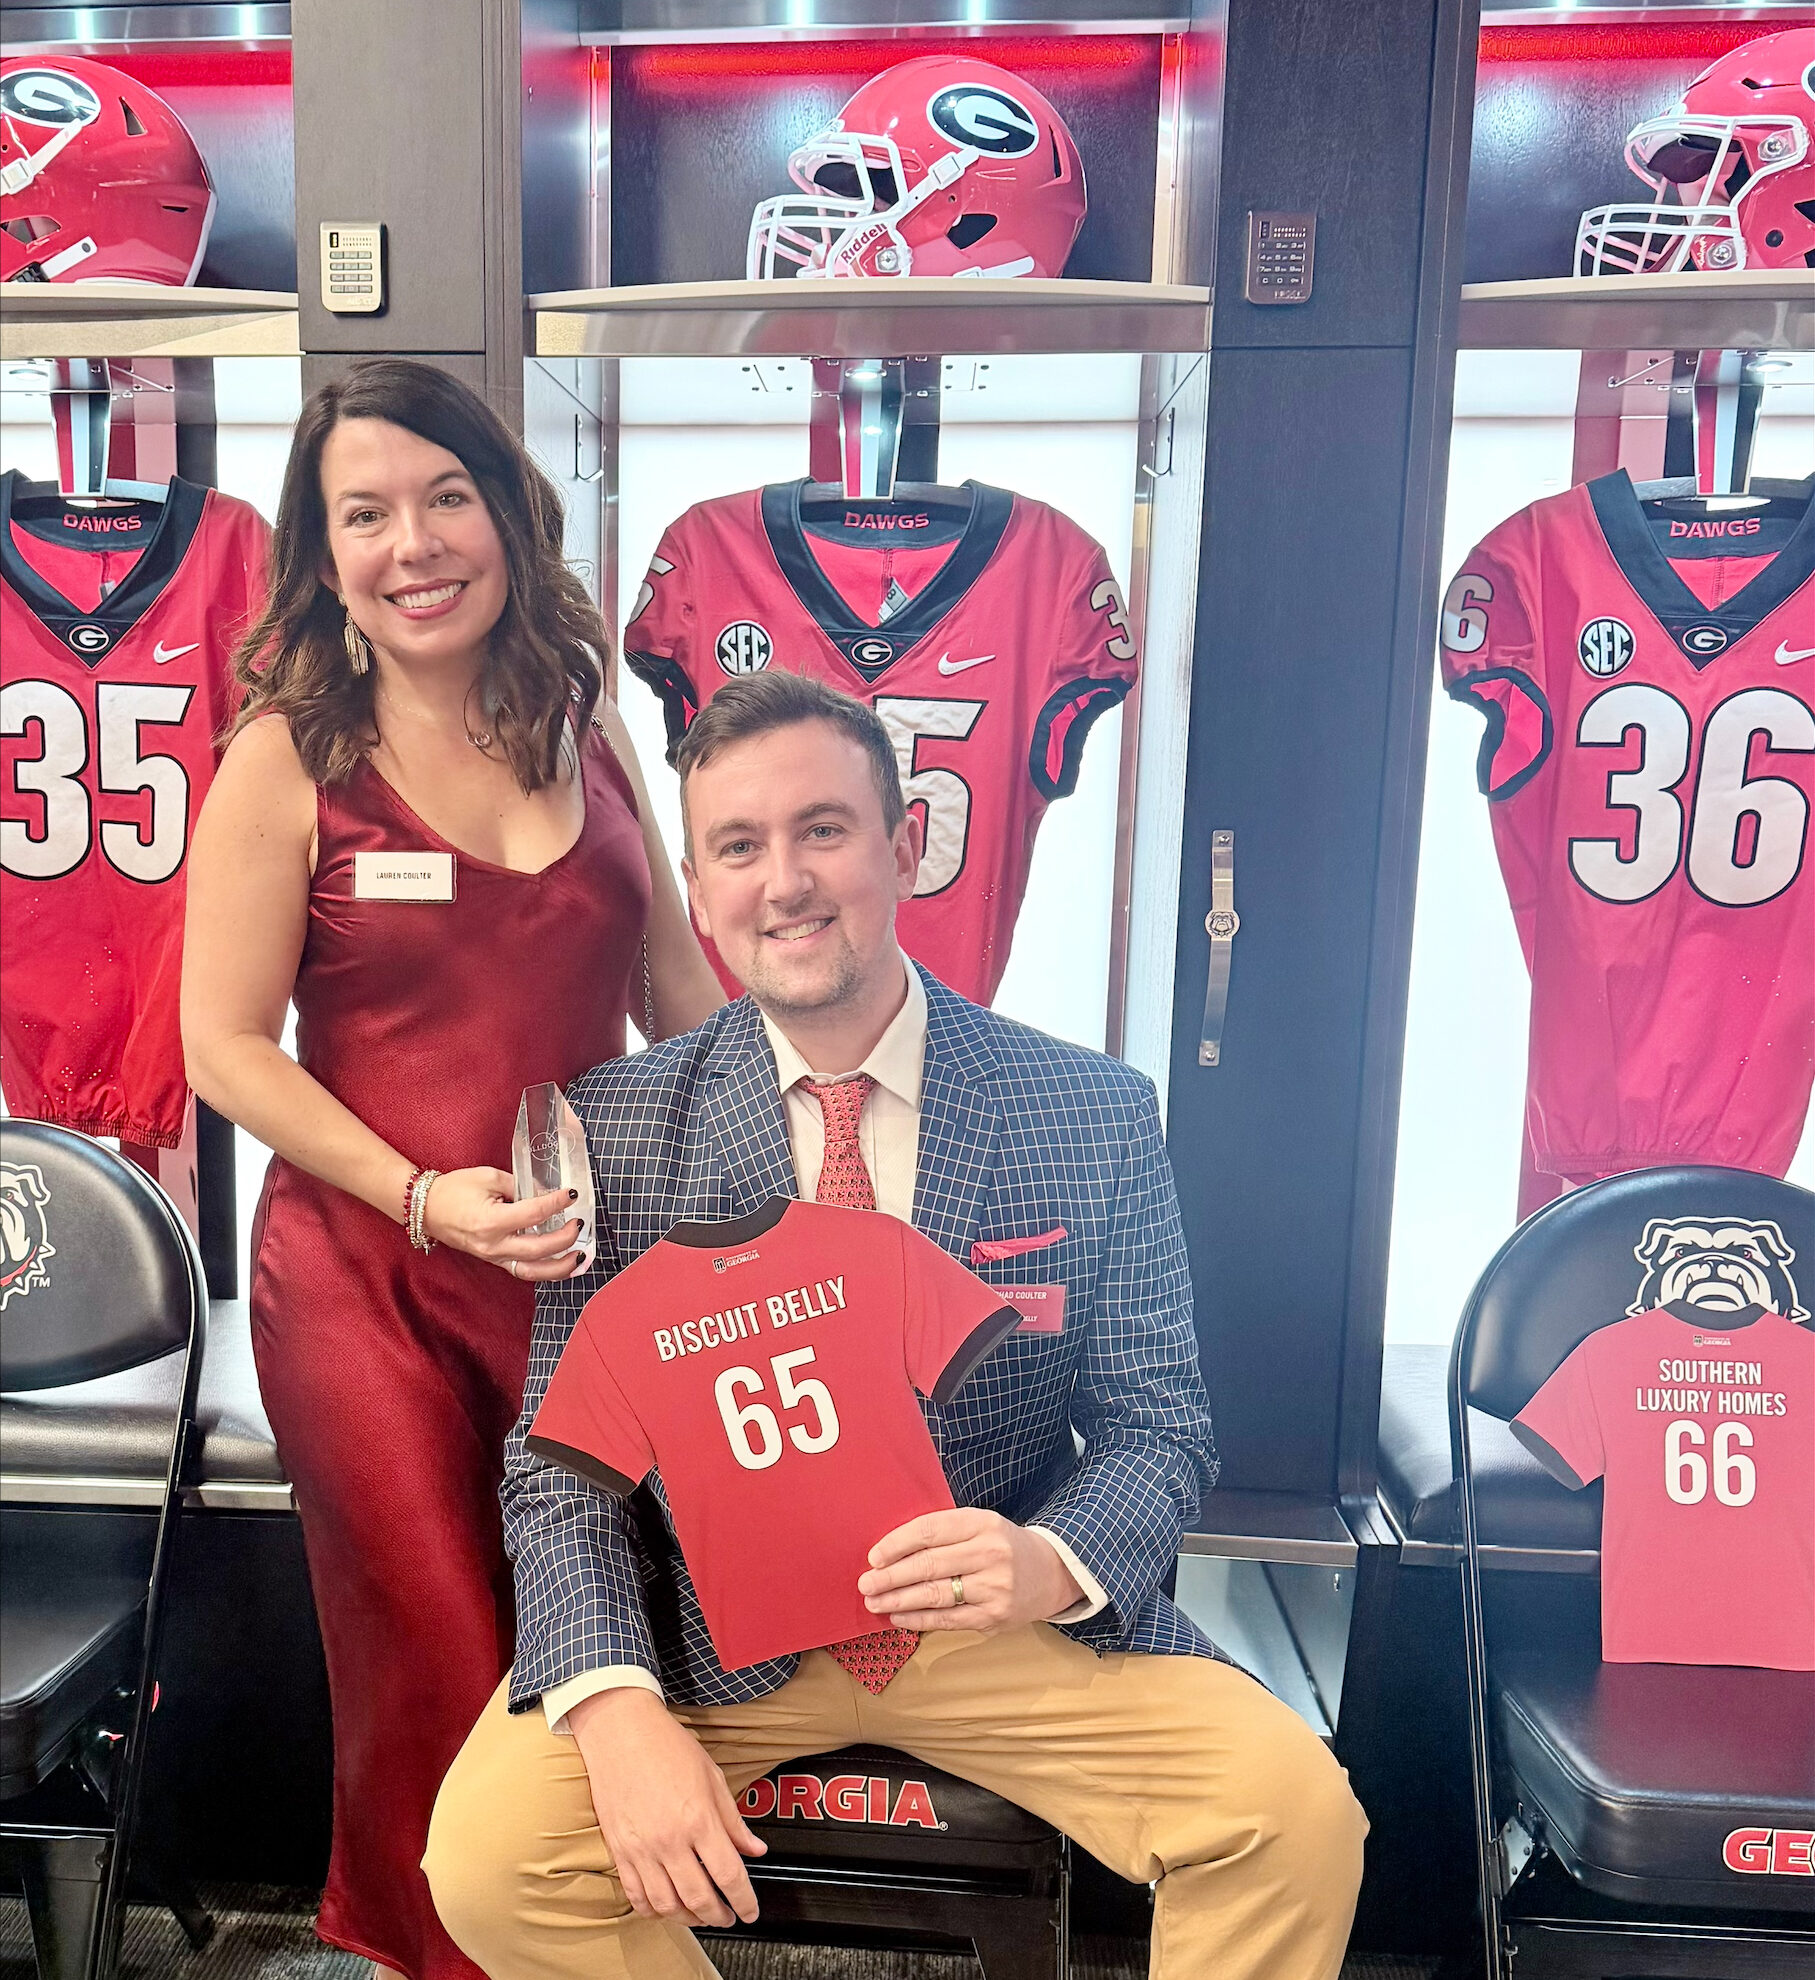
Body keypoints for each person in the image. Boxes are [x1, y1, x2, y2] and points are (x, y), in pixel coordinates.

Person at [424, 671, 1368, 1980]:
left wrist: (1052, 1561)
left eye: (824, 830)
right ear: (699, 896)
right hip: (715, 1632)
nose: (785, 883)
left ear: (906, 843)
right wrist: (616, 1704)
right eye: (739, 849)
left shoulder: (1088, 1113)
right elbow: (562, 1469)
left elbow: (1163, 1433)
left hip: (999, 1621)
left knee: (1295, 1819)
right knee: (487, 1860)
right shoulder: (627, 1128)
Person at [181, 357, 723, 1980]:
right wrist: (421, 1197)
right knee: (447, 1649)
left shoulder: (592, 720)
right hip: (369, 1287)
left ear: (504, 508)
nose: (411, 542)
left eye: (443, 496)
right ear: (321, 549)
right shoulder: (287, 759)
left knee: (587, 1642)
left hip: (578, 1273)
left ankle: (569, 1944)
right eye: (364, 512)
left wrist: (817, 1142)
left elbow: (673, 990)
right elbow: (226, 1049)